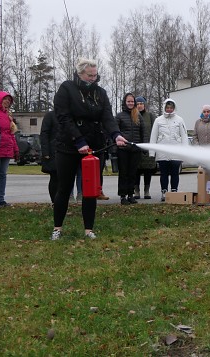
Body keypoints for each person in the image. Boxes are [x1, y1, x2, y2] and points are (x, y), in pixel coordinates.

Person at [51, 58, 128, 240]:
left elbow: (107, 116)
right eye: (89, 75)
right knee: (64, 187)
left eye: (95, 75)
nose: (93, 78)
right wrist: (78, 140)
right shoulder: (66, 88)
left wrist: (116, 134)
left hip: (93, 147)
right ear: (80, 73)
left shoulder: (100, 93)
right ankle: (57, 228)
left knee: (90, 190)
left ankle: (88, 230)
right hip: (68, 146)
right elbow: (63, 117)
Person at [149, 98, 189, 202]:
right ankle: (164, 192)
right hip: (162, 153)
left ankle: (174, 191)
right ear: (164, 108)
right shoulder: (158, 120)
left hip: (176, 152)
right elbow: (153, 136)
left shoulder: (180, 120)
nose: (169, 109)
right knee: (164, 174)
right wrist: (152, 152)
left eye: (171, 107)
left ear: (174, 108)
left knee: (175, 173)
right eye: (167, 107)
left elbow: (184, 136)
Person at [115, 93, 144, 205]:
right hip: (123, 150)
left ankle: (131, 195)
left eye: (132, 101)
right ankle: (123, 196)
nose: (131, 103)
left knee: (133, 173)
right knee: (124, 173)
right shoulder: (119, 116)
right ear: (125, 102)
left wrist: (142, 146)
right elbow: (115, 132)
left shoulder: (138, 116)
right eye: (129, 101)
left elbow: (143, 132)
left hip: (135, 149)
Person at [134, 96, 156, 199]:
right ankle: (136, 191)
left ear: (144, 105)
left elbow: (154, 131)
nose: (139, 106)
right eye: (137, 104)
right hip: (136, 147)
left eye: (141, 104)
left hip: (148, 147)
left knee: (148, 170)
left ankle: (146, 191)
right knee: (136, 171)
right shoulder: (132, 115)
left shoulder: (150, 116)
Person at [40, 111, 58, 203]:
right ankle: (54, 202)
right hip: (53, 152)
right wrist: (45, 152)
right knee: (54, 177)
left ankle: (61, 202)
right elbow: (44, 134)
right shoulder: (50, 116)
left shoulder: (69, 115)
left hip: (66, 150)